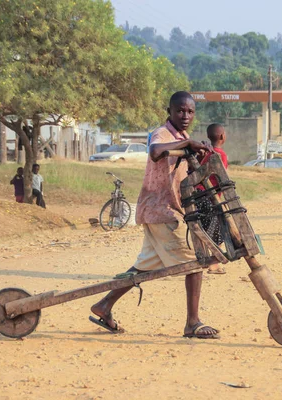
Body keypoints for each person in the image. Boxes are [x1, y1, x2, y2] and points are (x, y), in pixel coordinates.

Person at [89, 91, 220, 339]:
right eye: (180, 110)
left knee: (144, 267)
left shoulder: (183, 137)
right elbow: (156, 150)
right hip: (161, 209)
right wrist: (186, 144)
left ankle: (104, 305)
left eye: (190, 112)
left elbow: (189, 169)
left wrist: (200, 151)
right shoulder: (164, 134)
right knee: (194, 262)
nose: (185, 115)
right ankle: (193, 322)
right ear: (169, 111)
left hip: (163, 208)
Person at [198, 123, 228, 275]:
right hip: (209, 197)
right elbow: (222, 177)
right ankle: (214, 264)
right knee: (220, 229)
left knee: (209, 229)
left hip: (200, 196)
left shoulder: (208, 153)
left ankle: (210, 261)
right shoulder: (219, 154)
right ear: (223, 136)